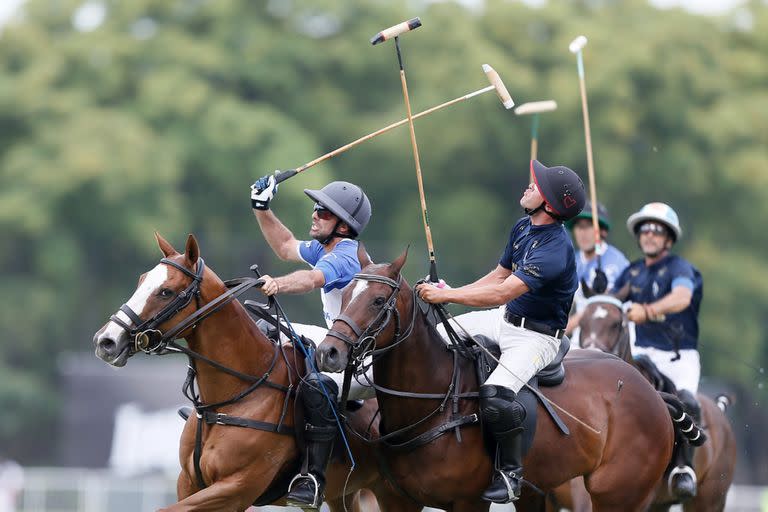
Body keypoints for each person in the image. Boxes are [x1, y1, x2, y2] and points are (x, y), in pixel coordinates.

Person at [416, 160, 585, 503]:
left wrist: (447, 295)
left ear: (550, 206)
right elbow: (497, 276)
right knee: (433, 338)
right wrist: (453, 289)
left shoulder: (555, 250)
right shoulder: (523, 227)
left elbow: (504, 290)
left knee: (496, 393)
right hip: (504, 319)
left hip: (537, 338)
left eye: (536, 186)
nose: (528, 186)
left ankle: (511, 474)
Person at [251, 174, 372, 508]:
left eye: (325, 211)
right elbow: (286, 245)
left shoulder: (346, 255)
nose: (315, 213)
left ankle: (313, 477)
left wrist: (278, 284)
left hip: (362, 357)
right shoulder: (325, 246)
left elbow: (311, 279)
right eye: (317, 207)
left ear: (344, 227)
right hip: (335, 342)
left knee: (316, 384)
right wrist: (262, 208)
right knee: (266, 327)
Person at [613, 202, 703, 499]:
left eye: (657, 230)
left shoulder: (679, 268)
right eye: (645, 230)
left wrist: (648, 311)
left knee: (687, 401)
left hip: (677, 356)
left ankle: (683, 468)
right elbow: (610, 303)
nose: (649, 235)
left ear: (668, 238)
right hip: (641, 351)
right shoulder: (632, 272)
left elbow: (681, 297)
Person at [564, 201, 629, 338]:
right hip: (581, 335)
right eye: (579, 227)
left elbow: (603, 305)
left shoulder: (615, 262)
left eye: (589, 227)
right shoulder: (571, 262)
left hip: (610, 337)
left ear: (603, 232)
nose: (583, 233)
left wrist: (562, 330)